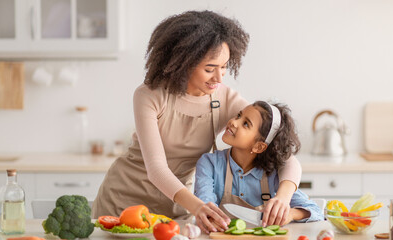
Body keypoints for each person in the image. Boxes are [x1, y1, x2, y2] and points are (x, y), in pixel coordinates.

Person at [92, 10, 303, 233]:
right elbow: (156, 169)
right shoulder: (150, 95)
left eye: (224, 67)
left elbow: (282, 154)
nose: (219, 78)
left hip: (178, 205)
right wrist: (199, 207)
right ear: (183, 63)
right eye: (209, 69)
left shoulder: (225, 99)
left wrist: (283, 197)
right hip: (124, 201)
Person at [194, 101, 324, 229]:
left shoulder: (274, 176)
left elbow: (316, 211)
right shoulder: (210, 164)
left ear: (259, 146)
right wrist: (210, 217)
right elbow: (205, 204)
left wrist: (290, 214)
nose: (233, 122)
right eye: (238, 116)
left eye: (245, 124)